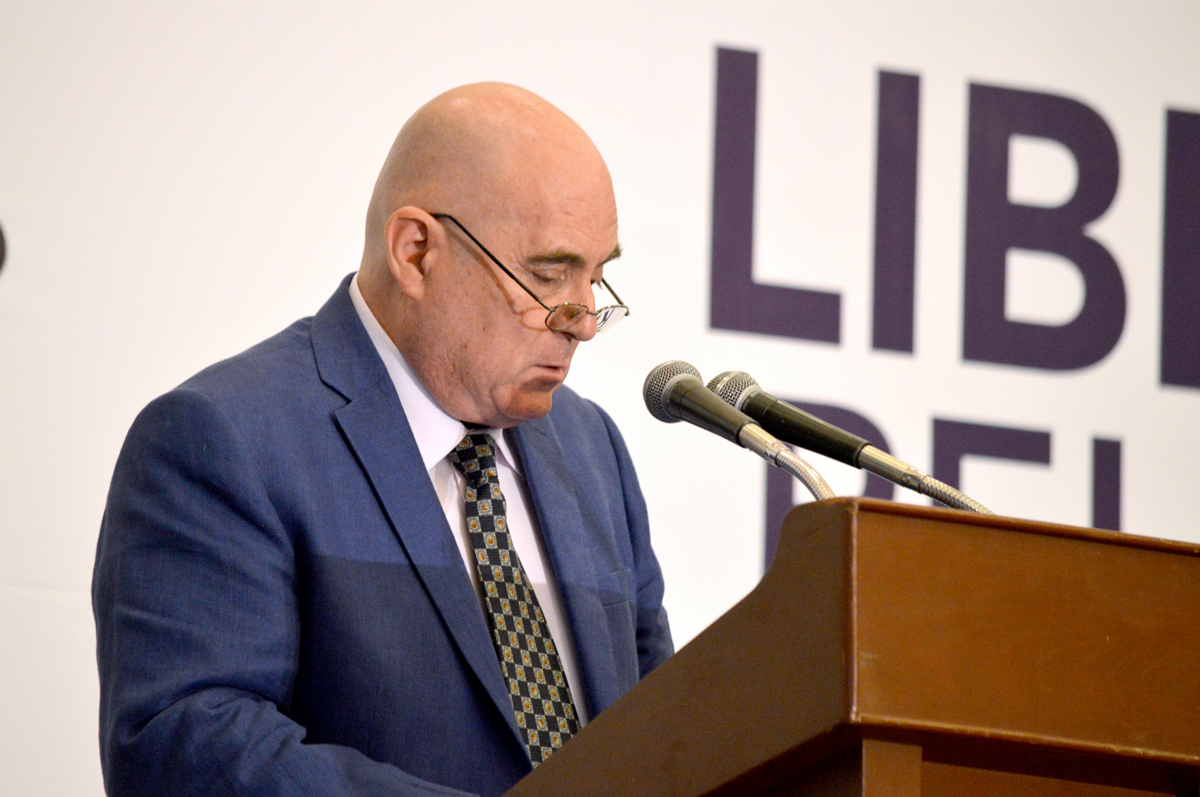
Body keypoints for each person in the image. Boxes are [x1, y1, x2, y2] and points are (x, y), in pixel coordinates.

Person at [92, 83, 673, 797]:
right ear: (415, 251)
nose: (583, 321)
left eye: (598, 276)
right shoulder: (223, 440)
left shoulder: (593, 449)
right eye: (550, 275)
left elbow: (660, 726)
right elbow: (188, 747)